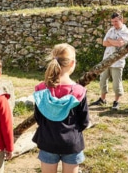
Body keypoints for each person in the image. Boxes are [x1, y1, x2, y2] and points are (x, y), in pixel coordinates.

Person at [32, 43, 89, 173]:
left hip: (47, 141)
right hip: (71, 143)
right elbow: (84, 121)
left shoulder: (41, 90)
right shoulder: (79, 91)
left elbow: (38, 118)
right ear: (72, 63)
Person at [91, 12, 128, 110]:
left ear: (121, 20)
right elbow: (104, 43)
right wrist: (112, 41)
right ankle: (102, 99)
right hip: (107, 58)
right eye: (112, 22)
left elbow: (120, 44)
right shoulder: (111, 30)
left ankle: (116, 102)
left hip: (117, 61)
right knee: (102, 80)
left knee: (116, 83)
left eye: (116, 21)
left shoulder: (125, 31)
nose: (114, 24)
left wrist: (110, 40)